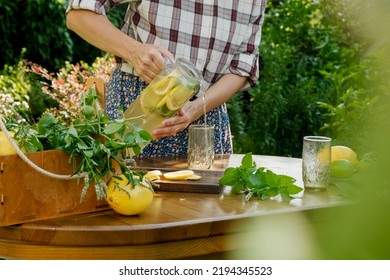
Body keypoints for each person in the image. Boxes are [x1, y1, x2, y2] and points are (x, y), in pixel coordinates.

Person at [66, 0, 267, 157]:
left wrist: (196, 109)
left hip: (206, 117)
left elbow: (243, 66)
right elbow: (79, 13)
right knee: (124, 199)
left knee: (208, 207)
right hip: (141, 103)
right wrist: (134, 51)